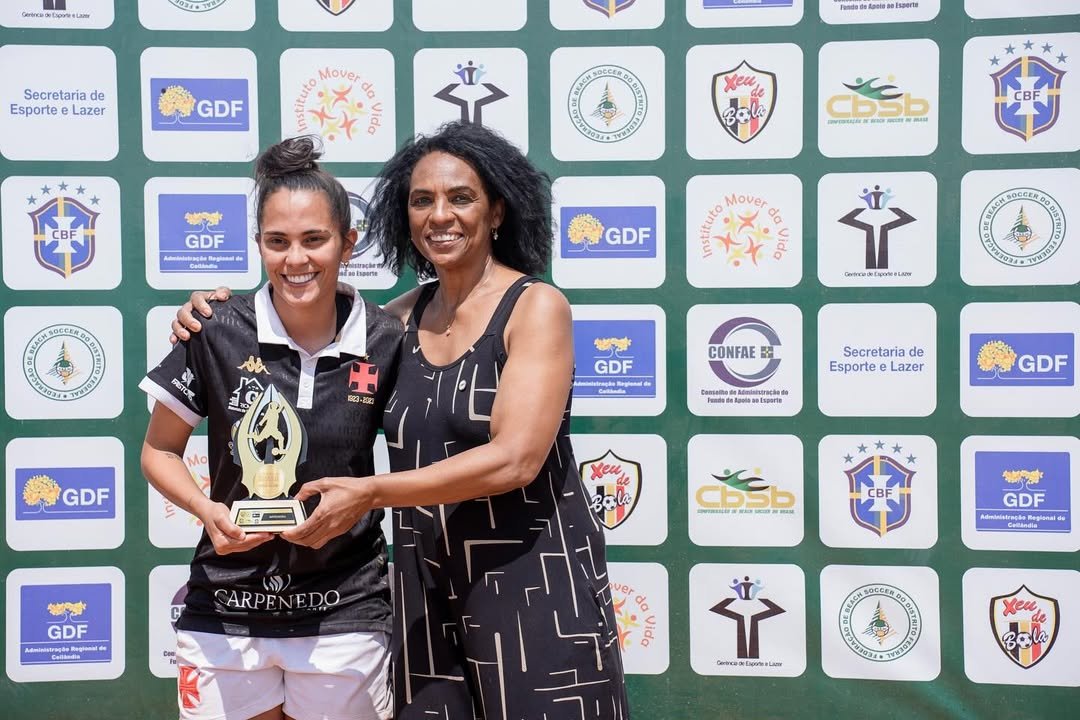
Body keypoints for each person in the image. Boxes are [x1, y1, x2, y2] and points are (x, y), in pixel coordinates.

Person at [174, 121, 631, 719]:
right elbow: (307, 318)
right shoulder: (398, 321)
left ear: (497, 211)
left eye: (460, 198)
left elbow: (516, 459)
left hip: (533, 581)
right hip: (426, 590)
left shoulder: (535, 306)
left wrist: (371, 494)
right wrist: (210, 316)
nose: (439, 215)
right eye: (421, 201)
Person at [142, 136, 400, 720]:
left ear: (348, 243)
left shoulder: (387, 338)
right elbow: (159, 450)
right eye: (277, 241)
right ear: (259, 244)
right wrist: (207, 511)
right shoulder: (213, 328)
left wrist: (363, 500)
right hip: (225, 605)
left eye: (315, 239)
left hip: (345, 607)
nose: (295, 259)